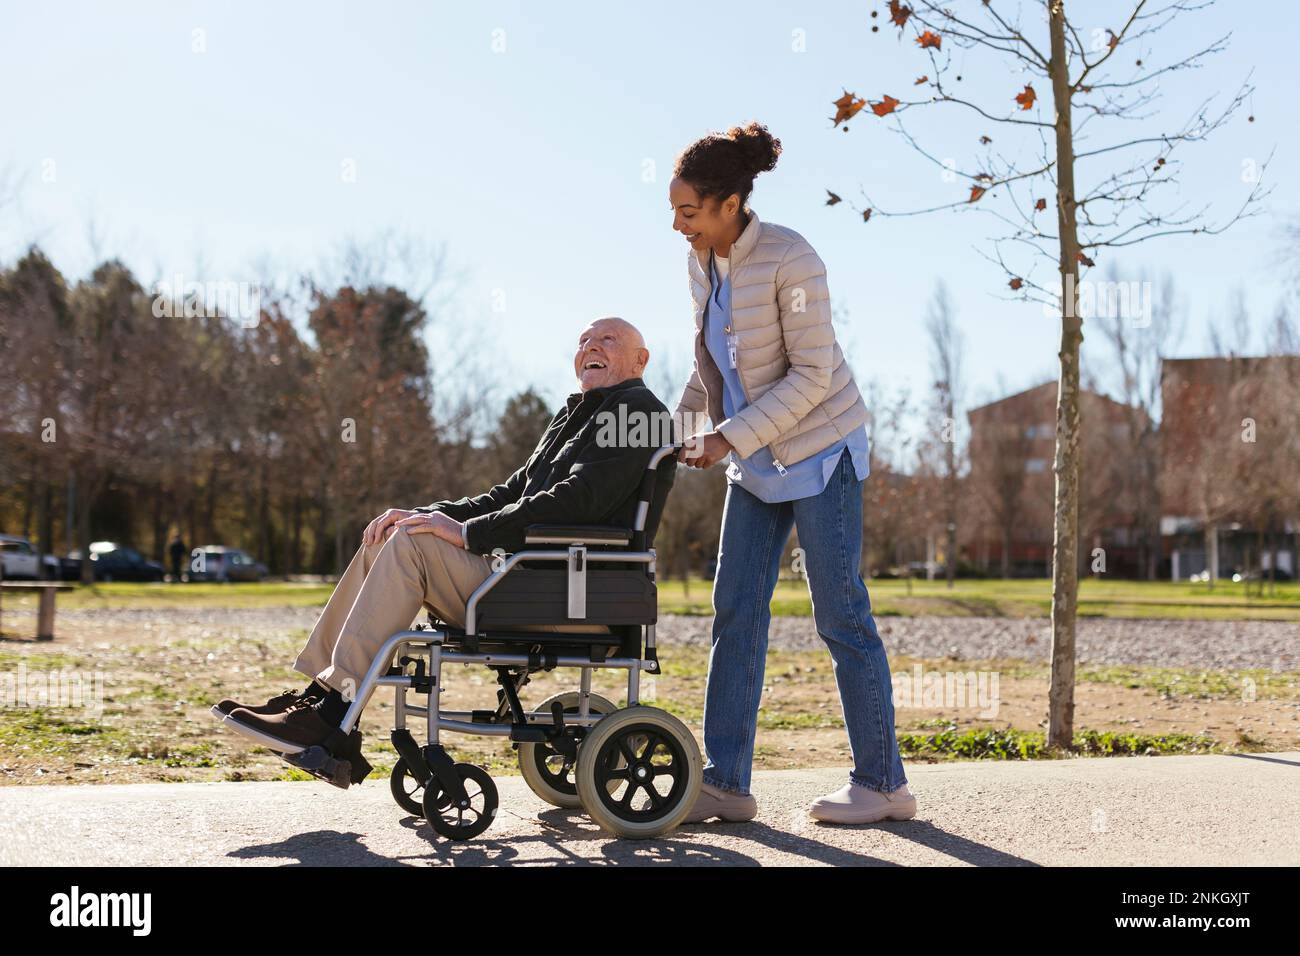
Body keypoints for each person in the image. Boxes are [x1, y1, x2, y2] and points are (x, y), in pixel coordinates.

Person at [213, 317, 674, 760]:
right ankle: (318, 697)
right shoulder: (574, 414)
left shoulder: (638, 412)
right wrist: (430, 514)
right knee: (392, 535)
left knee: (413, 546)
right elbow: (510, 494)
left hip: (572, 594)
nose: (591, 347)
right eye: (584, 340)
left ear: (640, 359)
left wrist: (469, 534)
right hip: (527, 584)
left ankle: (332, 713)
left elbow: (578, 501)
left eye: (608, 339)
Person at [668, 122, 915, 826]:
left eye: (689, 212)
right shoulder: (703, 264)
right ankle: (726, 783)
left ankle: (883, 783)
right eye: (675, 212)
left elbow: (812, 376)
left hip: (821, 451)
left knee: (840, 612)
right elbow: (711, 362)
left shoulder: (790, 258)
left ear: (730, 203)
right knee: (735, 611)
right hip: (754, 460)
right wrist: (679, 430)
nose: (679, 226)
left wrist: (725, 437)